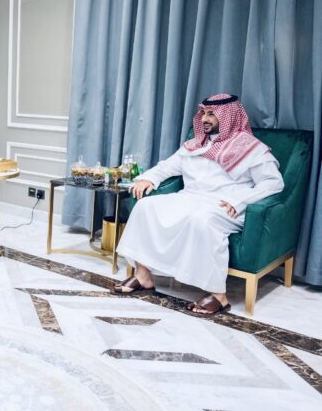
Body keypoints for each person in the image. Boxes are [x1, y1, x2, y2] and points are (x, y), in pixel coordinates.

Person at [113, 94, 284, 315]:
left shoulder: (251, 148)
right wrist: (148, 178)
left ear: (229, 116)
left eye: (211, 114)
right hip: (190, 197)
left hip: (226, 205)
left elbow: (273, 183)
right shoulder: (195, 145)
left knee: (202, 220)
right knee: (145, 207)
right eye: (203, 112)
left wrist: (240, 201)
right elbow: (168, 167)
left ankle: (218, 296)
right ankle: (143, 274)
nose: (204, 118)